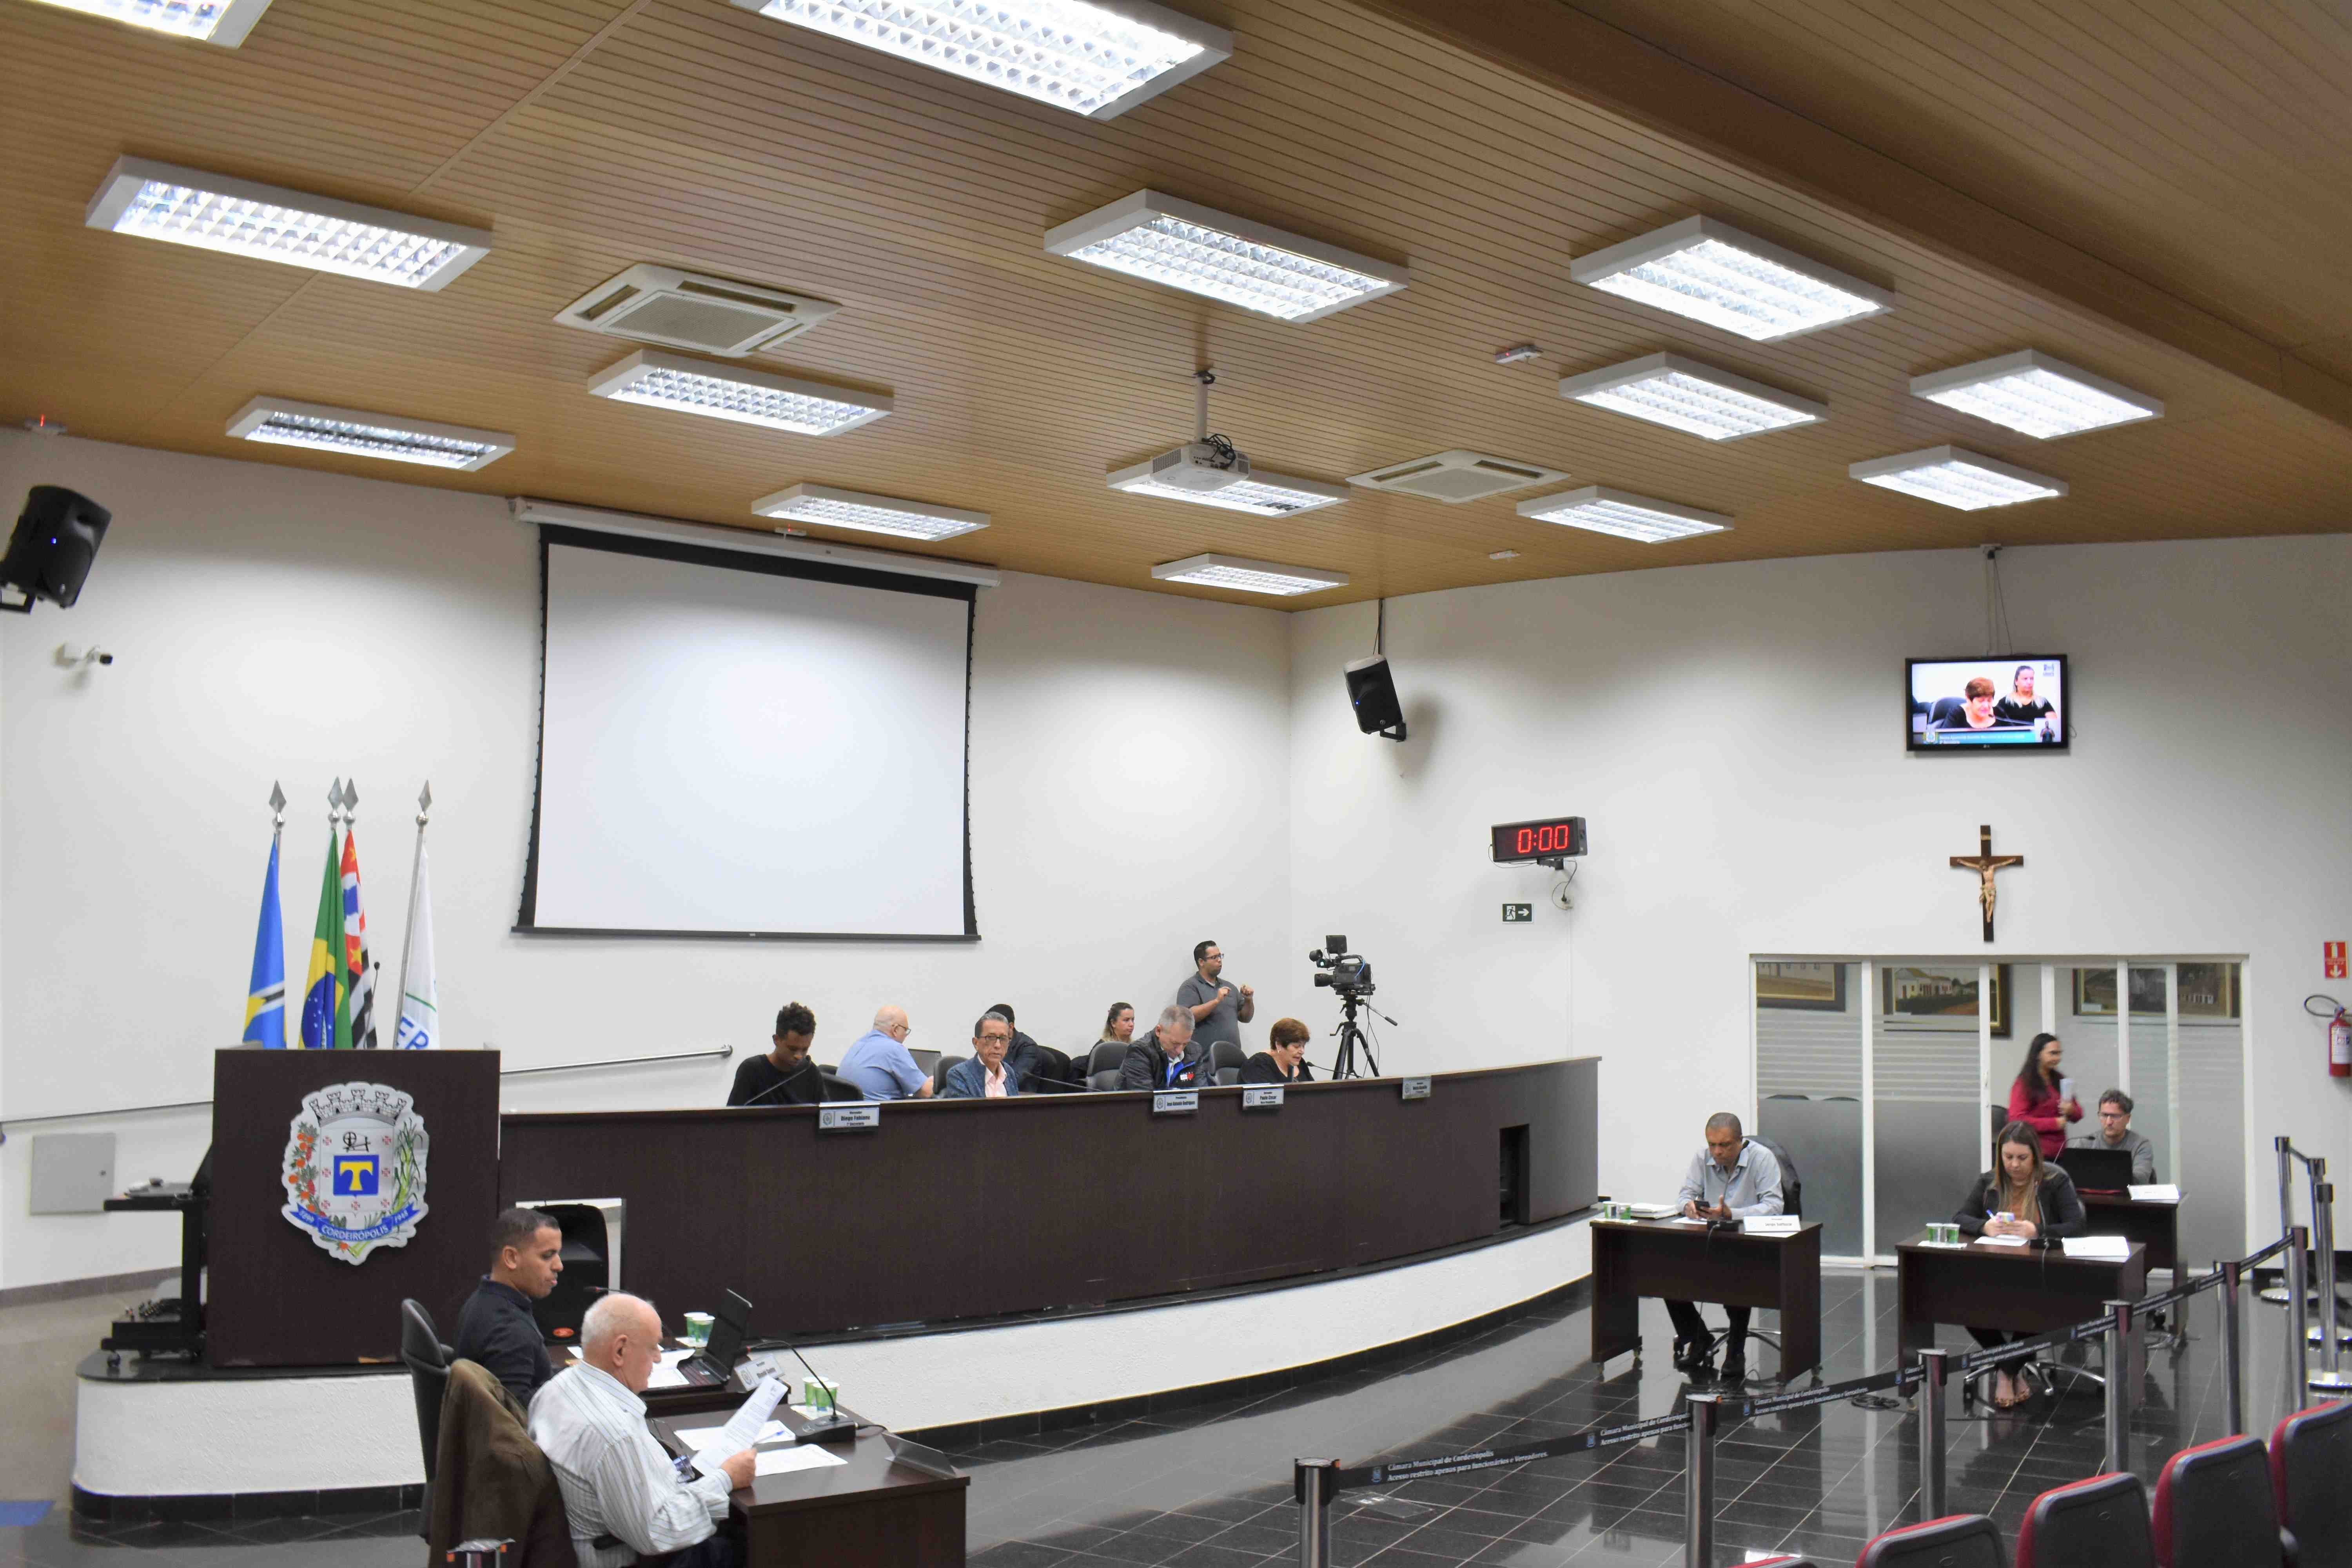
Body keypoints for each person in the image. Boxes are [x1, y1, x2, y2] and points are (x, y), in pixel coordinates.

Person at [529, 1292, 753, 1568]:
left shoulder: (555, 1388)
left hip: (591, 1537)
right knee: (753, 1541)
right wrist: (726, 1478)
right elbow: (657, 1532)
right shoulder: (613, 1435)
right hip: (633, 1559)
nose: (658, 1359)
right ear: (620, 1352)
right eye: (653, 1348)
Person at [1955, 1122, 2086, 1407]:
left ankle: (2006, 1372)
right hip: (1997, 1266)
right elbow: (1960, 1217)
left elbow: (2076, 1225)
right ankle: (2010, 1367)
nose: (2014, 1165)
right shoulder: (1989, 1181)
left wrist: (2038, 1230)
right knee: (1964, 1302)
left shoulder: (2054, 1182)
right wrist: (1984, 1227)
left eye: (2022, 1158)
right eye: (2008, 1157)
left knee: (2037, 1306)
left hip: (2043, 1270)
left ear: (2035, 1156)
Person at [1663, 1113, 1784, 1383]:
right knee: (1667, 1274)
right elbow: (1683, 1196)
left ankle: (1736, 1351)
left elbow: (1775, 1206)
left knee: (1736, 1276)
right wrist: (1689, 1207)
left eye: (1725, 1145)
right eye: (1712, 1145)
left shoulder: (1762, 1159)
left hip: (1750, 1245)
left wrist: (1733, 1214)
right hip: (1711, 1239)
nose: (1717, 1152)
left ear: (1741, 1142)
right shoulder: (1701, 1158)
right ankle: (1698, 1338)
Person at [454, 1207, 564, 1407]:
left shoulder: (483, 1300)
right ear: (511, 1258)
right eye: (548, 1255)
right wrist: (572, 1391)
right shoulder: (509, 1329)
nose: (559, 1266)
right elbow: (514, 1414)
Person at [726, 1001, 820, 1107]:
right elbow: (733, 1116)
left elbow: (827, 1114)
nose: (799, 1056)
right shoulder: (751, 1070)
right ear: (776, 1040)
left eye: (805, 1049)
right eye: (792, 1049)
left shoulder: (810, 1071)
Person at [2006, 1032, 2082, 1159]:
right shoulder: (2024, 1083)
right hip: (2034, 1153)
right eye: (2053, 1053)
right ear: (2038, 1055)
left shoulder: (2060, 1079)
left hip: (2059, 1153)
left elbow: (2078, 1114)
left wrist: (2071, 1110)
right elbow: (2016, 1120)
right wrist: (2054, 1124)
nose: (2058, 1058)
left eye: (2059, 1053)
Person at [837, 1005, 932, 1101]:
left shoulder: (858, 1044)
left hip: (849, 1109)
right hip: (880, 1110)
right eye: (905, 1030)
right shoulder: (894, 1049)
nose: (906, 1035)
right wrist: (938, 1079)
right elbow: (926, 1092)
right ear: (895, 1029)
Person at [1176, 940, 1253, 1059]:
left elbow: (1246, 1018)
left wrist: (1248, 1000)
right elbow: (1187, 1018)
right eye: (1214, 957)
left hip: (1234, 1059)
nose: (1219, 960)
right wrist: (1216, 1001)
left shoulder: (1229, 987)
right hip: (1204, 1061)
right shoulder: (1190, 987)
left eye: (1220, 956)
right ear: (1201, 962)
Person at [2068, 1088, 2158, 1184]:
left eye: (2115, 1116)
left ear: (2128, 1119)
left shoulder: (2140, 1145)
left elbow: (2140, 1180)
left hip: (2127, 1193)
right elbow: (2071, 1178)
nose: (2109, 1122)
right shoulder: (2086, 1143)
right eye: (2104, 1115)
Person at [1119, 1005, 1212, 1091]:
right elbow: (1145, 1098)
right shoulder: (1139, 1051)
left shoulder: (1195, 1050)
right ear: (1159, 1031)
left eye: (1185, 1044)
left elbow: (1202, 1095)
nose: (1180, 1050)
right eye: (1175, 1043)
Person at [942, 1013, 1022, 1098]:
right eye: (991, 1038)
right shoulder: (959, 1075)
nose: (998, 1045)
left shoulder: (1009, 1072)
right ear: (976, 1043)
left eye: (1003, 1039)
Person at [1242, 1018, 1316, 1084]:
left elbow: (1314, 1092)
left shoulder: (1301, 1064)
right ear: (1279, 1045)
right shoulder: (1258, 1065)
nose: (1302, 1051)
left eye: (1303, 1046)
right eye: (1296, 1047)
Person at [1994, 664, 2056, 729]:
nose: (2029, 682)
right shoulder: (2006, 702)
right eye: (2025, 679)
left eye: (2032, 679)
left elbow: (2054, 725)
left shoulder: (2042, 702)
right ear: (2016, 681)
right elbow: (1994, 722)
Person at [1938, 676, 2002, 730]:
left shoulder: (1999, 715)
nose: (1986, 706)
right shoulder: (1957, 715)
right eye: (1981, 701)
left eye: (1989, 701)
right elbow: (1943, 739)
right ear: (1968, 699)